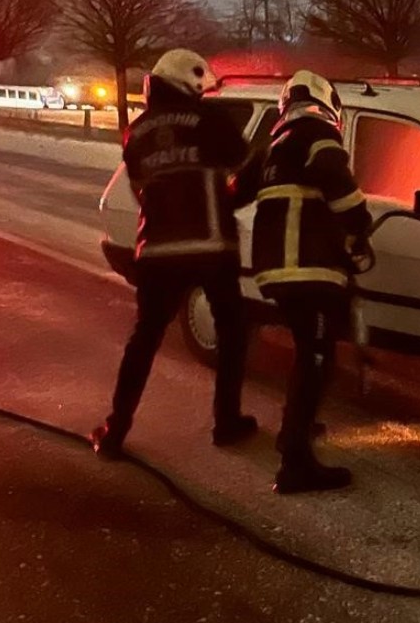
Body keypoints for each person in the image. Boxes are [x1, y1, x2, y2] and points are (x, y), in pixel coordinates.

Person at [91, 49, 258, 458]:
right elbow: (247, 166)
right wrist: (230, 198)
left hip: (158, 251)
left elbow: (141, 188)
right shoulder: (213, 122)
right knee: (232, 333)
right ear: (193, 86)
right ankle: (226, 422)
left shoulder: (136, 132)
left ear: (156, 84)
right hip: (211, 247)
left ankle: (115, 431)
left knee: (145, 338)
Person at [250, 70, 372, 493]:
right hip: (305, 269)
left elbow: (235, 191)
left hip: (278, 270)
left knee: (309, 354)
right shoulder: (316, 132)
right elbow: (337, 180)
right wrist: (360, 224)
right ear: (328, 103)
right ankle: (294, 465)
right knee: (316, 360)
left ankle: (292, 433)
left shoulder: (274, 144)